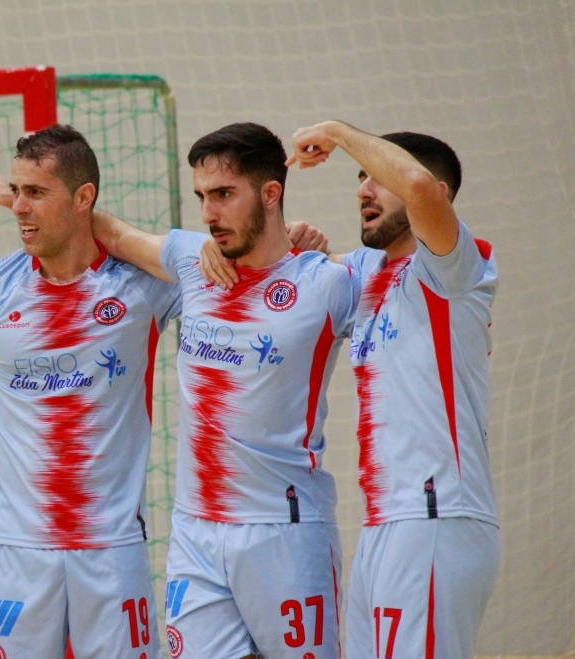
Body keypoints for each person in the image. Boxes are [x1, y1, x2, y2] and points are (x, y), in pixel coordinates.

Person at [0, 122, 360, 659]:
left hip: (173, 540)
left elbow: (252, 268)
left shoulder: (167, 281)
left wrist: (298, 243)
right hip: (58, 545)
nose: (209, 213)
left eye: (223, 194)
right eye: (202, 197)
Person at [204, 122, 500, 659]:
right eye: (359, 177)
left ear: (438, 196)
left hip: (437, 518)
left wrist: (338, 133)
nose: (363, 189)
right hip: (385, 522)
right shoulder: (368, 271)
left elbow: (418, 186)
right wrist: (221, 244)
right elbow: (276, 258)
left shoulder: (455, 266)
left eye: (378, 178)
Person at [0, 124, 178, 659]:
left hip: (111, 549)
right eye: (14, 191)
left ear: (83, 198)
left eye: (34, 193)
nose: (16, 207)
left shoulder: (142, 284)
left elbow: (223, 266)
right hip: (16, 552)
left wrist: (291, 241)